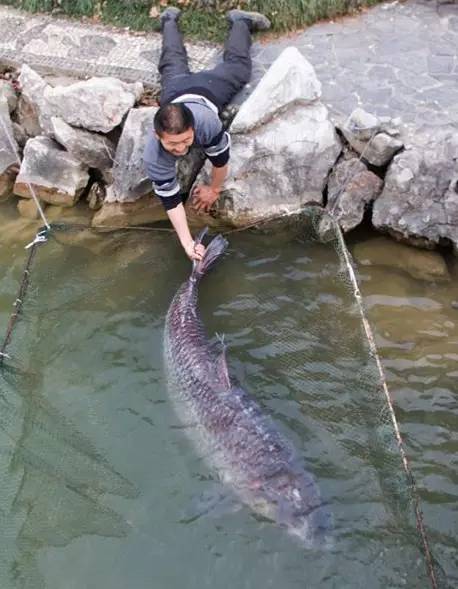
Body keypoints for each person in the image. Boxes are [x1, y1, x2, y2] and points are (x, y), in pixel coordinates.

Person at [143, 7, 271, 260]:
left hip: (211, 90)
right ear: (158, 137)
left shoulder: (208, 124)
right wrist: (187, 243)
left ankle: (240, 20)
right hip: (175, 92)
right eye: (172, 145)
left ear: (194, 129)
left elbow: (220, 160)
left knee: (239, 66)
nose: (180, 150)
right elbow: (170, 201)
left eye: (186, 141)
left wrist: (214, 189)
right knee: (170, 61)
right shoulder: (153, 156)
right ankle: (169, 18)